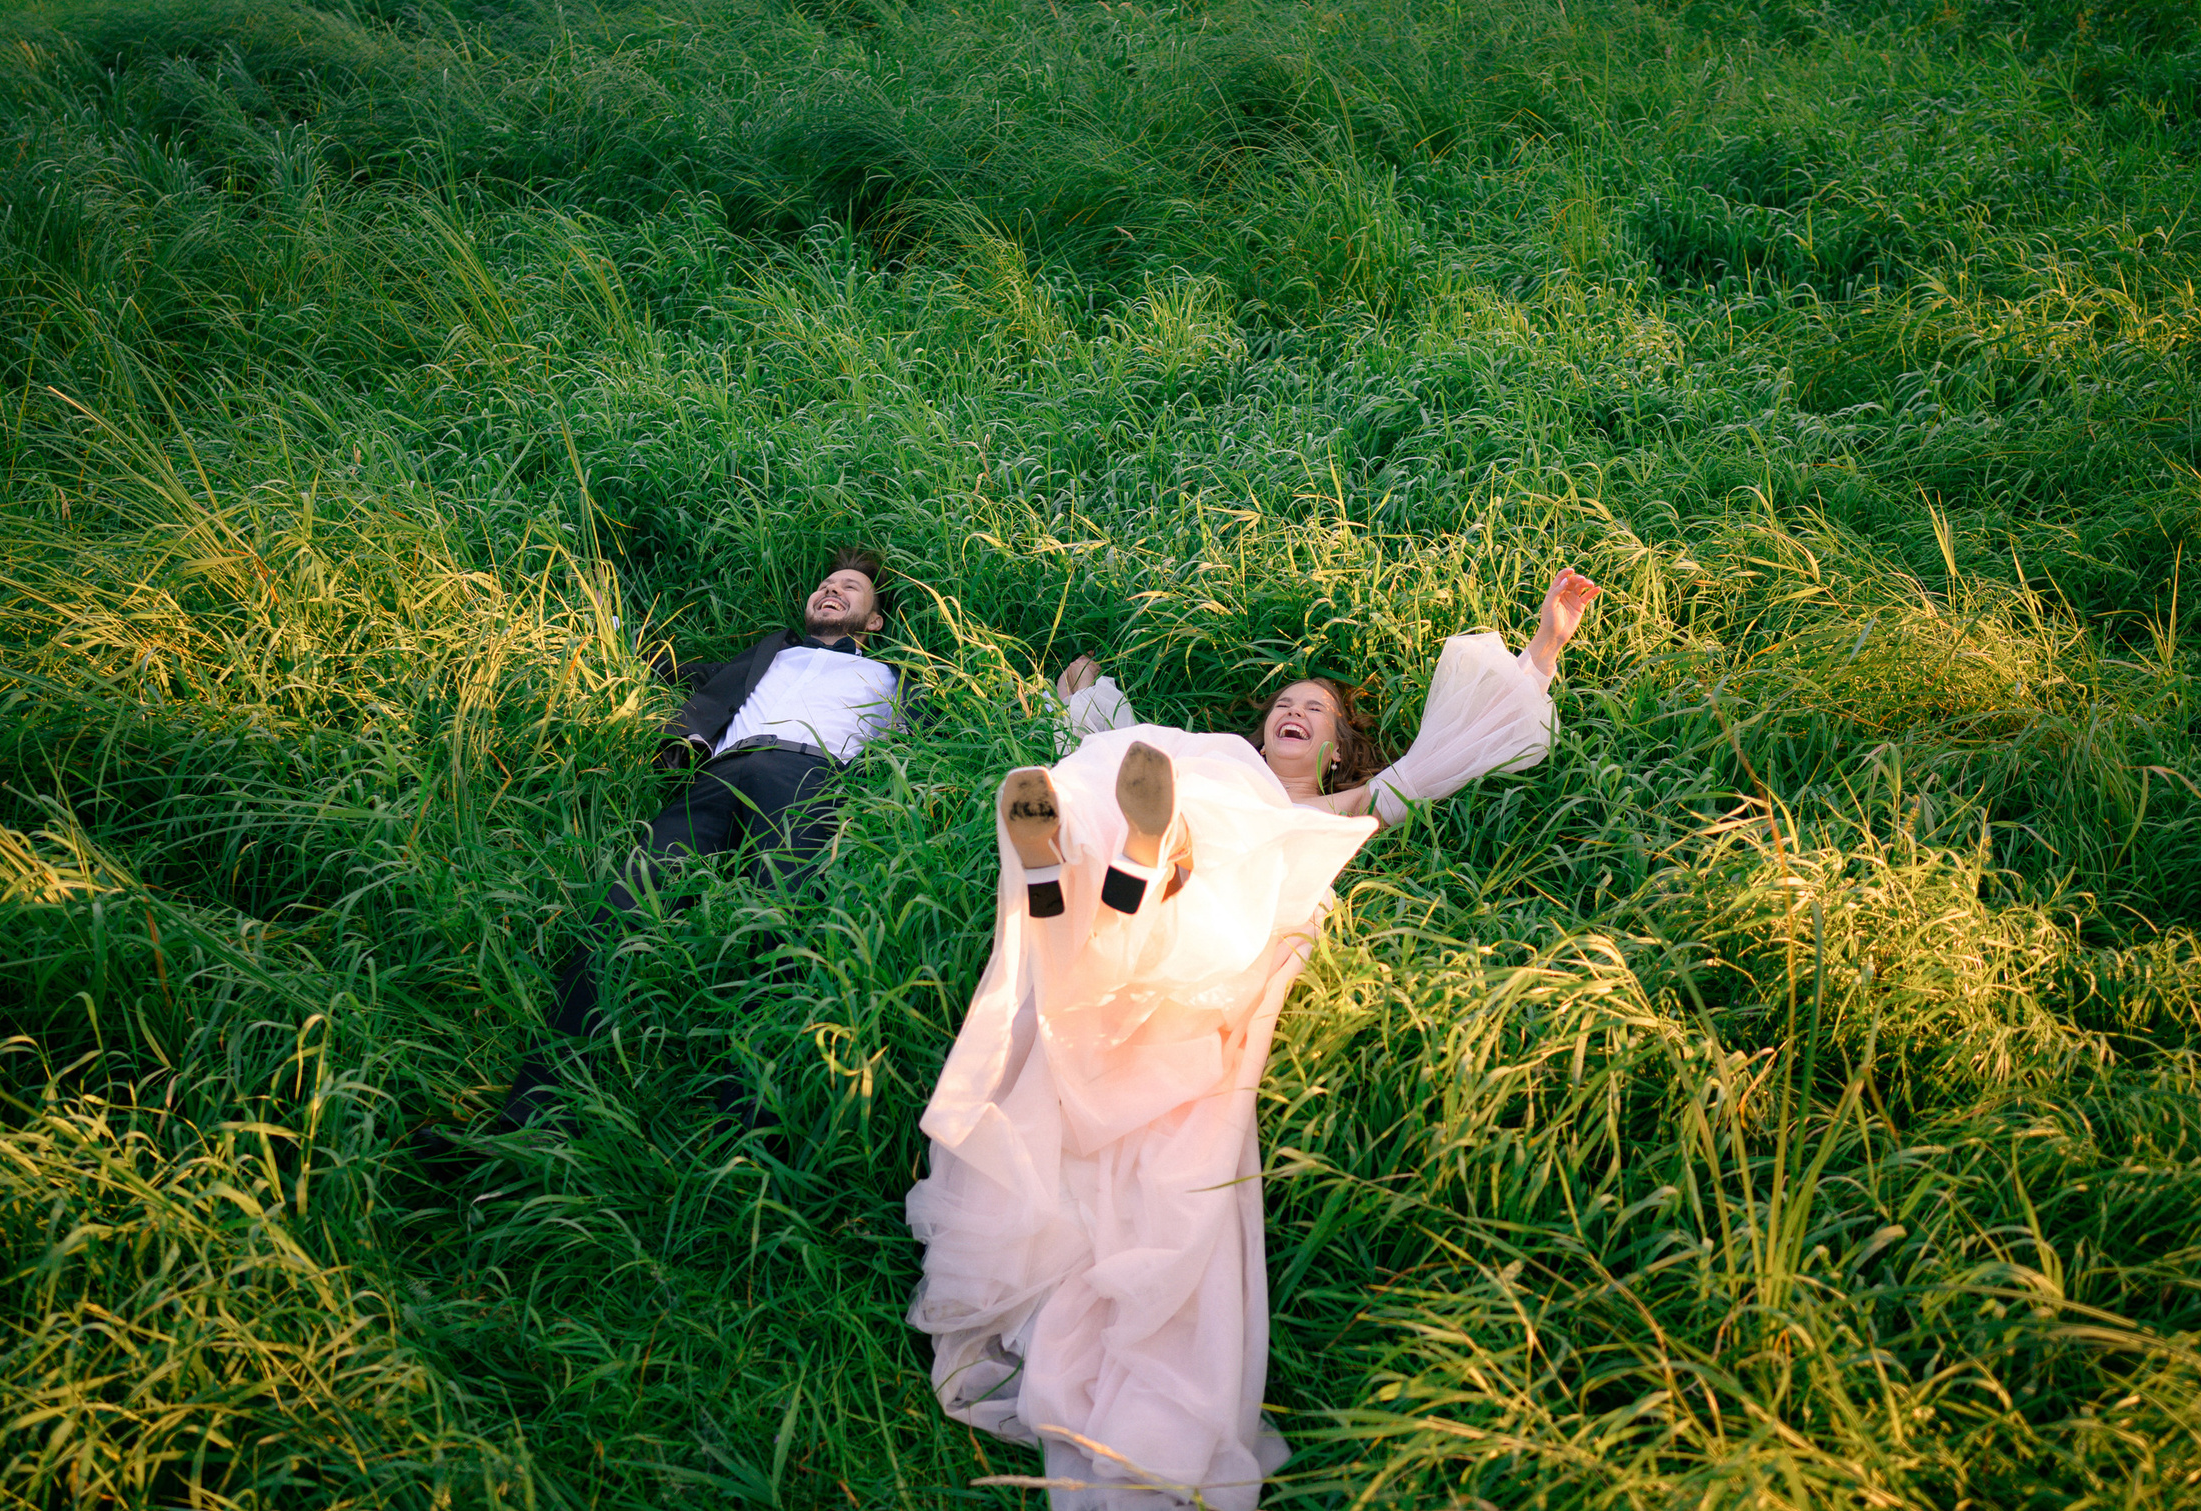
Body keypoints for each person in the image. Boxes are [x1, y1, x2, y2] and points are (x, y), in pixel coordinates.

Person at [905, 569, 1601, 1510]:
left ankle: (1094, 883)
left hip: (1219, 935)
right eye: (1283, 701)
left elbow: (1462, 745)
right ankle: (1079, 870)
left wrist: (1546, 647)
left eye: (1311, 710)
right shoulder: (1203, 767)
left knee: (1164, 858)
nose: (1290, 712)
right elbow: (1120, 744)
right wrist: (1086, 698)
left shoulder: (1339, 809)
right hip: (1162, 865)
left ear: (1341, 744)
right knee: (1158, 772)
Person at [495, 545, 901, 1133]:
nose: (831, 590)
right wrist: (603, 629)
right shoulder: (770, 654)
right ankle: (530, 1118)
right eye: (825, 584)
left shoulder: (893, 677)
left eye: (850, 588)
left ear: (874, 621)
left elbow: (949, 735)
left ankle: (748, 1139)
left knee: (781, 926)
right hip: (718, 775)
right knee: (623, 904)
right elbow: (675, 671)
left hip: (811, 781)